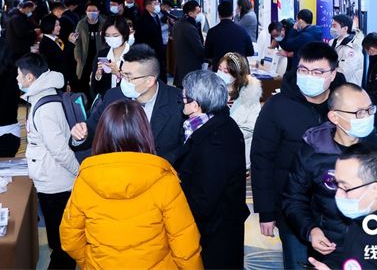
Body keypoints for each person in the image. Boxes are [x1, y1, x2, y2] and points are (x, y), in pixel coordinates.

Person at [283, 83, 377, 268]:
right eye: (359, 113)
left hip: (374, 250)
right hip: (329, 248)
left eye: (370, 110)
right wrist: (311, 230)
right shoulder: (313, 152)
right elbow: (293, 198)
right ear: (334, 117)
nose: (367, 117)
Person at [60, 100, 202, 269]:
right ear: (144, 133)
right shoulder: (164, 178)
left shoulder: (85, 179)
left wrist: (89, 262)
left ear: (102, 134)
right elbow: (184, 243)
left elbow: (70, 239)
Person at [251, 42, 345, 269]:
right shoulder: (277, 106)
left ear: (332, 74)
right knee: (298, 263)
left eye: (317, 72)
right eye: (304, 70)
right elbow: (261, 159)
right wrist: (266, 211)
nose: (309, 77)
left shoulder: (344, 104)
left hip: (337, 211)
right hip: (292, 208)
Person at [174, 70, 249, 269]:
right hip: (215, 223)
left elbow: (205, 197)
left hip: (215, 230)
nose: (181, 102)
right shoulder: (208, 124)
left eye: (184, 98)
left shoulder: (216, 141)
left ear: (196, 104)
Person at [16, 54, 82, 270]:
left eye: (19, 75)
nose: (17, 79)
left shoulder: (43, 107)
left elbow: (59, 150)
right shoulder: (46, 95)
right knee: (60, 237)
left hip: (56, 183)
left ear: (29, 78)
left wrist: (79, 173)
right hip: (54, 177)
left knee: (61, 241)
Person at [71, 44, 185, 163]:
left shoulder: (178, 101)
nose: (123, 81)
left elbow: (185, 150)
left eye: (128, 77)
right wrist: (79, 135)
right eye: (122, 74)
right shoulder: (113, 96)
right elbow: (92, 128)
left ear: (149, 81)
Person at [217, 52, 262, 169]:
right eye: (219, 69)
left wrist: (229, 133)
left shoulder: (250, 95)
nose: (220, 74)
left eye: (226, 71)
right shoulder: (213, 90)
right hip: (215, 151)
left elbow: (252, 126)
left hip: (238, 151)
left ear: (236, 74)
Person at [204, 1, 254, 70]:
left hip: (220, 71)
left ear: (219, 15)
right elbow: (250, 52)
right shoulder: (242, 31)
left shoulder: (212, 32)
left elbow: (207, 54)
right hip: (239, 71)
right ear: (232, 14)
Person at [91, 15, 131, 97]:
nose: (111, 38)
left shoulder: (135, 55)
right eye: (107, 35)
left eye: (115, 35)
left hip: (127, 102)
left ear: (124, 34)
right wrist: (98, 75)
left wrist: (118, 73)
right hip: (107, 101)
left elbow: (136, 86)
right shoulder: (102, 55)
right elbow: (94, 88)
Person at [73, 1, 106, 96]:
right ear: (86, 12)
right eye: (89, 10)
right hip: (85, 57)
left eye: (94, 10)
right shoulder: (81, 24)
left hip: (99, 57)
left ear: (98, 12)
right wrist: (78, 56)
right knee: (83, 82)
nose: (92, 12)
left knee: (99, 81)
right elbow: (77, 41)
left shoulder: (104, 23)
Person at [134, 0, 168, 82]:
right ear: (148, 6)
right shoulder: (142, 21)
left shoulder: (155, 16)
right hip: (149, 54)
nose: (158, 6)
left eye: (158, 3)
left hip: (158, 53)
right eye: (155, 4)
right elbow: (140, 40)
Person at [172, 0, 206, 87]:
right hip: (190, 69)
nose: (200, 15)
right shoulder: (190, 28)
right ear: (190, 13)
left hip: (180, 68)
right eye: (198, 12)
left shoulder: (178, 24)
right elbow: (199, 50)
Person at [39, 14, 74, 90]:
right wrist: (71, 43)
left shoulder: (56, 38)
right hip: (55, 79)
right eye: (56, 25)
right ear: (49, 26)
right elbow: (61, 57)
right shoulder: (45, 43)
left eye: (59, 25)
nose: (59, 27)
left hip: (63, 76)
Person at [329, 14, 364, 85]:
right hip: (334, 83)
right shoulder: (332, 42)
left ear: (345, 28)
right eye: (332, 26)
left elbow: (345, 72)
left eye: (334, 26)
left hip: (348, 86)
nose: (332, 29)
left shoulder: (352, 46)